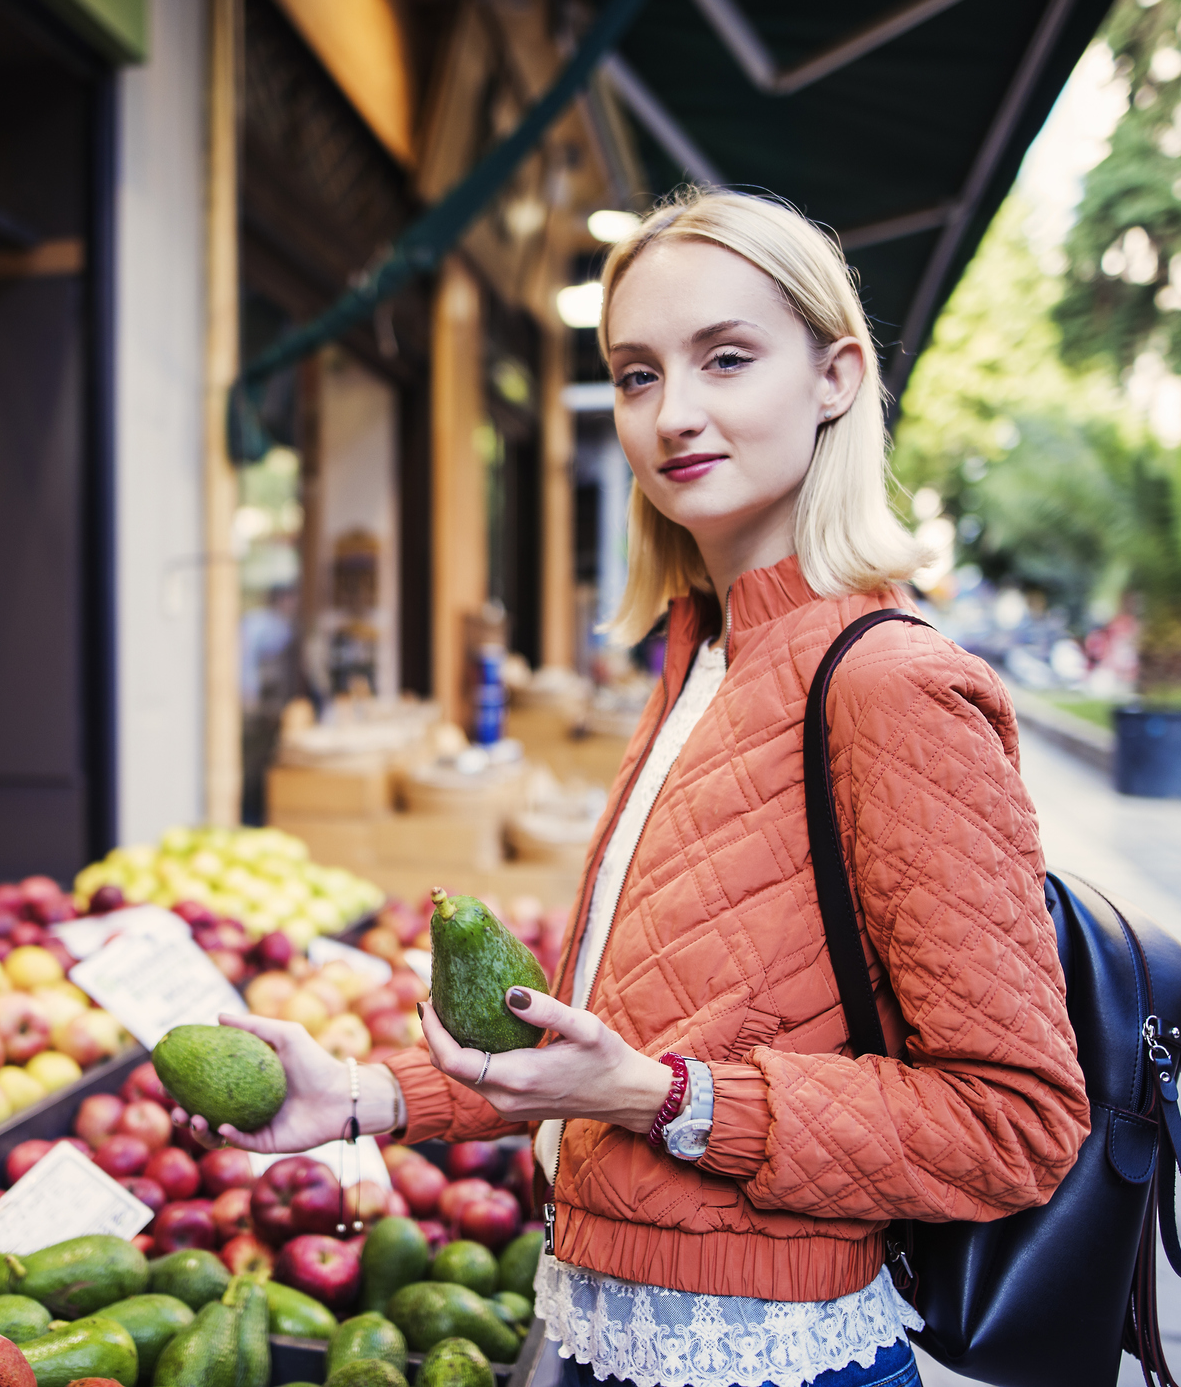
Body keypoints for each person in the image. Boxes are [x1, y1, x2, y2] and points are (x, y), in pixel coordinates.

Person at [177, 189, 1091, 1387]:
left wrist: (660, 1094)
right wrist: (354, 1098)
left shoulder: (888, 686)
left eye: (726, 358)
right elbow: (604, 1052)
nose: (675, 414)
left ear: (835, 376)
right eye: (638, 373)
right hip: (598, 1326)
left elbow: (1013, 1123)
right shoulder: (699, 657)